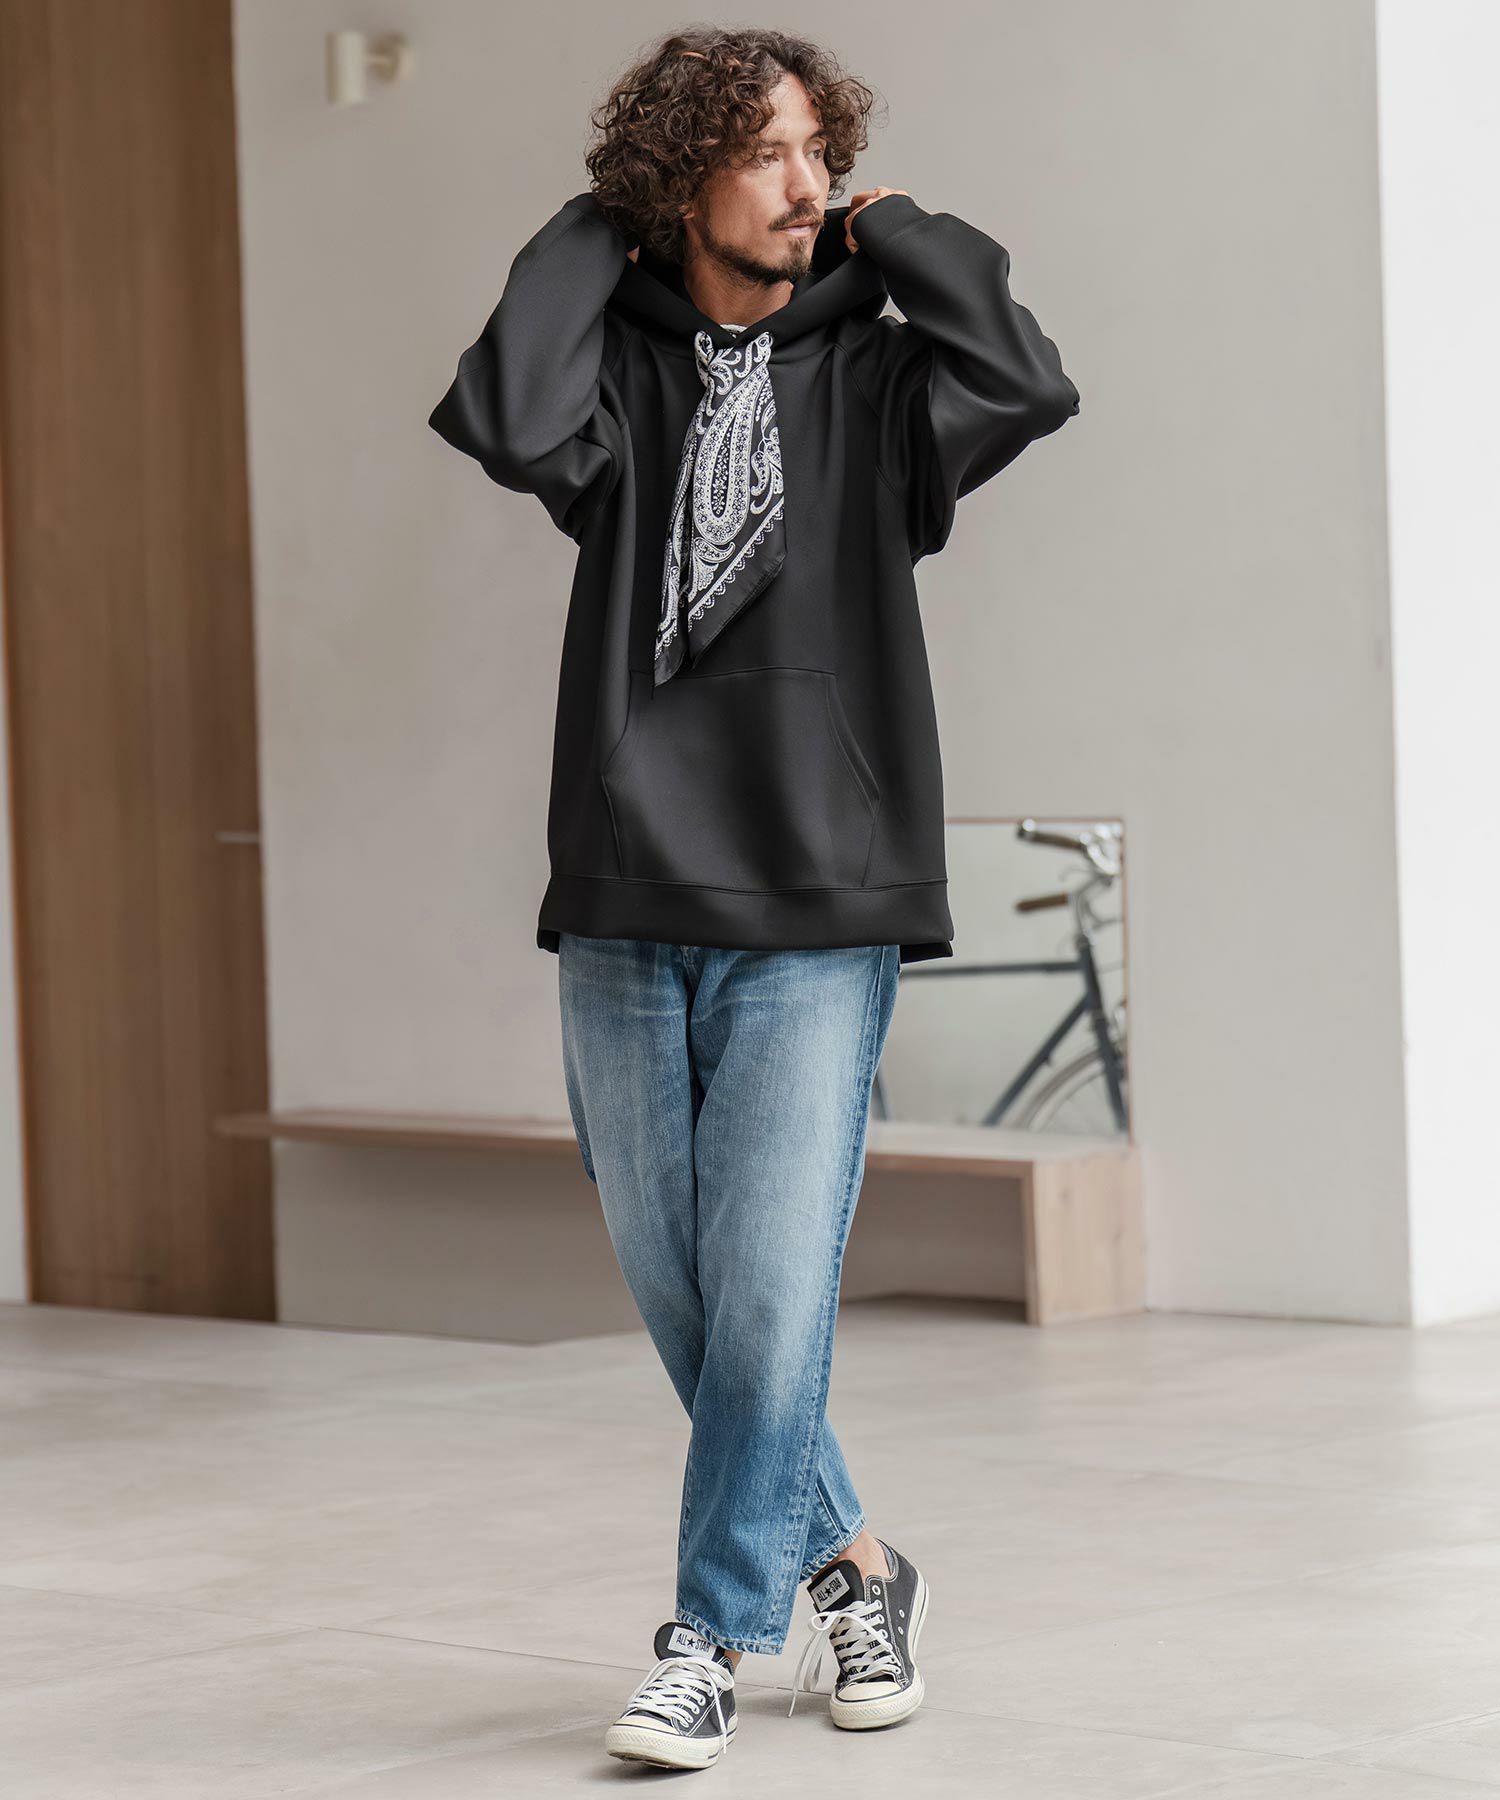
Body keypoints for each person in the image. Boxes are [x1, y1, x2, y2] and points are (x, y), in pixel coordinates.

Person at [428, 25, 1078, 1772]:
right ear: (681, 182)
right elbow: (506, 411)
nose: (809, 187)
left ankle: (707, 1639)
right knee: (699, 1303)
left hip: (820, 897)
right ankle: (857, 1567)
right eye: (770, 155)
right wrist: (602, 224)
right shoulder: (616, 381)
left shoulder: (879, 383)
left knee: (775, 1294)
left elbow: (1025, 377)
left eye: (821, 153)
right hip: (627, 889)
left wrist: (900, 231)